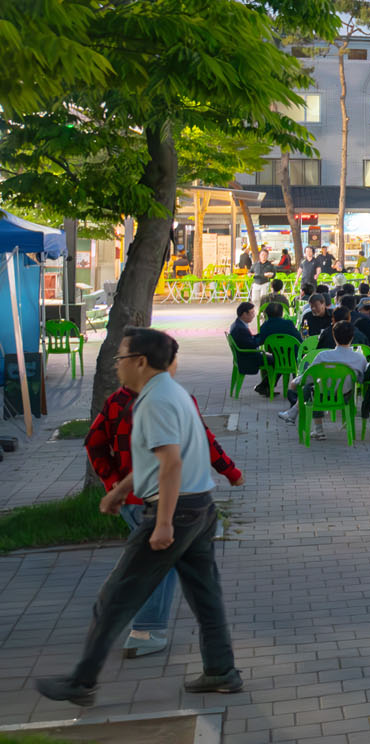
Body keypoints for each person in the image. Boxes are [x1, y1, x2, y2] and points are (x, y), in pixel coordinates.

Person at [35, 328, 241, 705]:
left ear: (141, 362)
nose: (117, 366)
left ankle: (82, 682)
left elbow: (171, 463)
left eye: (122, 358)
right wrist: (118, 491)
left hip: (175, 511)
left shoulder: (154, 402)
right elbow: (158, 459)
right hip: (200, 508)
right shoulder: (173, 393)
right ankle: (221, 670)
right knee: (206, 597)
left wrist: (162, 523)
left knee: (114, 598)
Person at [82, 361, 244, 659]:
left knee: (161, 562)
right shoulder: (177, 399)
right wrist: (230, 471)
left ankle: (134, 629)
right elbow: (204, 440)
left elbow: (94, 443)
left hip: (134, 501)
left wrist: (112, 481)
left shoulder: (116, 401)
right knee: (161, 564)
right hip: (170, 501)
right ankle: (145, 631)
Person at [279, 321, 367, 439]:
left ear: (334, 336)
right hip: (345, 396)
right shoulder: (360, 358)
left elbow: (308, 377)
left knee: (311, 388)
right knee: (314, 388)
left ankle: (314, 427)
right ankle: (295, 414)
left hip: (321, 396)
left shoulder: (323, 356)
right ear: (352, 337)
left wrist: (296, 381)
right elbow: (362, 378)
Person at [227, 302, 266, 392]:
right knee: (277, 361)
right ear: (244, 314)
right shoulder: (240, 329)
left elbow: (249, 340)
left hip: (242, 356)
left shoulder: (238, 324)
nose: (254, 315)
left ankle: (265, 386)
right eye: (252, 313)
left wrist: (259, 336)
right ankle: (265, 386)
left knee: (271, 359)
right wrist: (263, 338)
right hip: (247, 358)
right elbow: (252, 344)